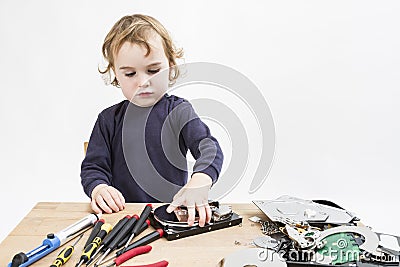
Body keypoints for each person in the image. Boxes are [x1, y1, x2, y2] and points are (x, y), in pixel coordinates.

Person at [81, 14, 223, 227]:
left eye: (153, 70)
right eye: (130, 73)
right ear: (115, 74)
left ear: (171, 66)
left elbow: (209, 148)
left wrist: (201, 179)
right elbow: (93, 167)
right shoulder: (107, 120)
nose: (143, 82)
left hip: (172, 218)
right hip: (122, 220)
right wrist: (99, 188)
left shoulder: (179, 111)